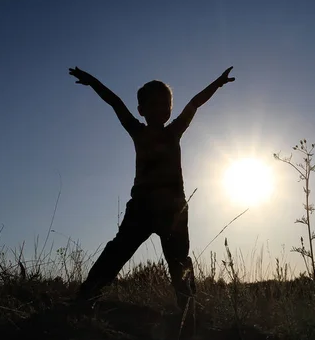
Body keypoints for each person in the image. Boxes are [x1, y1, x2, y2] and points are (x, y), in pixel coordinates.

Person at [68, 65, 235, 311]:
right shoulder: (137, 131)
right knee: (117, 252)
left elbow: (194, 103)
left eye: (165, 104)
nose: (161, 109)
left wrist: (217, 84)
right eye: (154, 104)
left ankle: (188, 311)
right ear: (141, 110)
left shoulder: (175, 131)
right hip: (142, 208)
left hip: (173, 209)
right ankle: (86, 296)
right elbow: (115, 102)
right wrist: (92, 81)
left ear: (170, 108)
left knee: (178, 261)